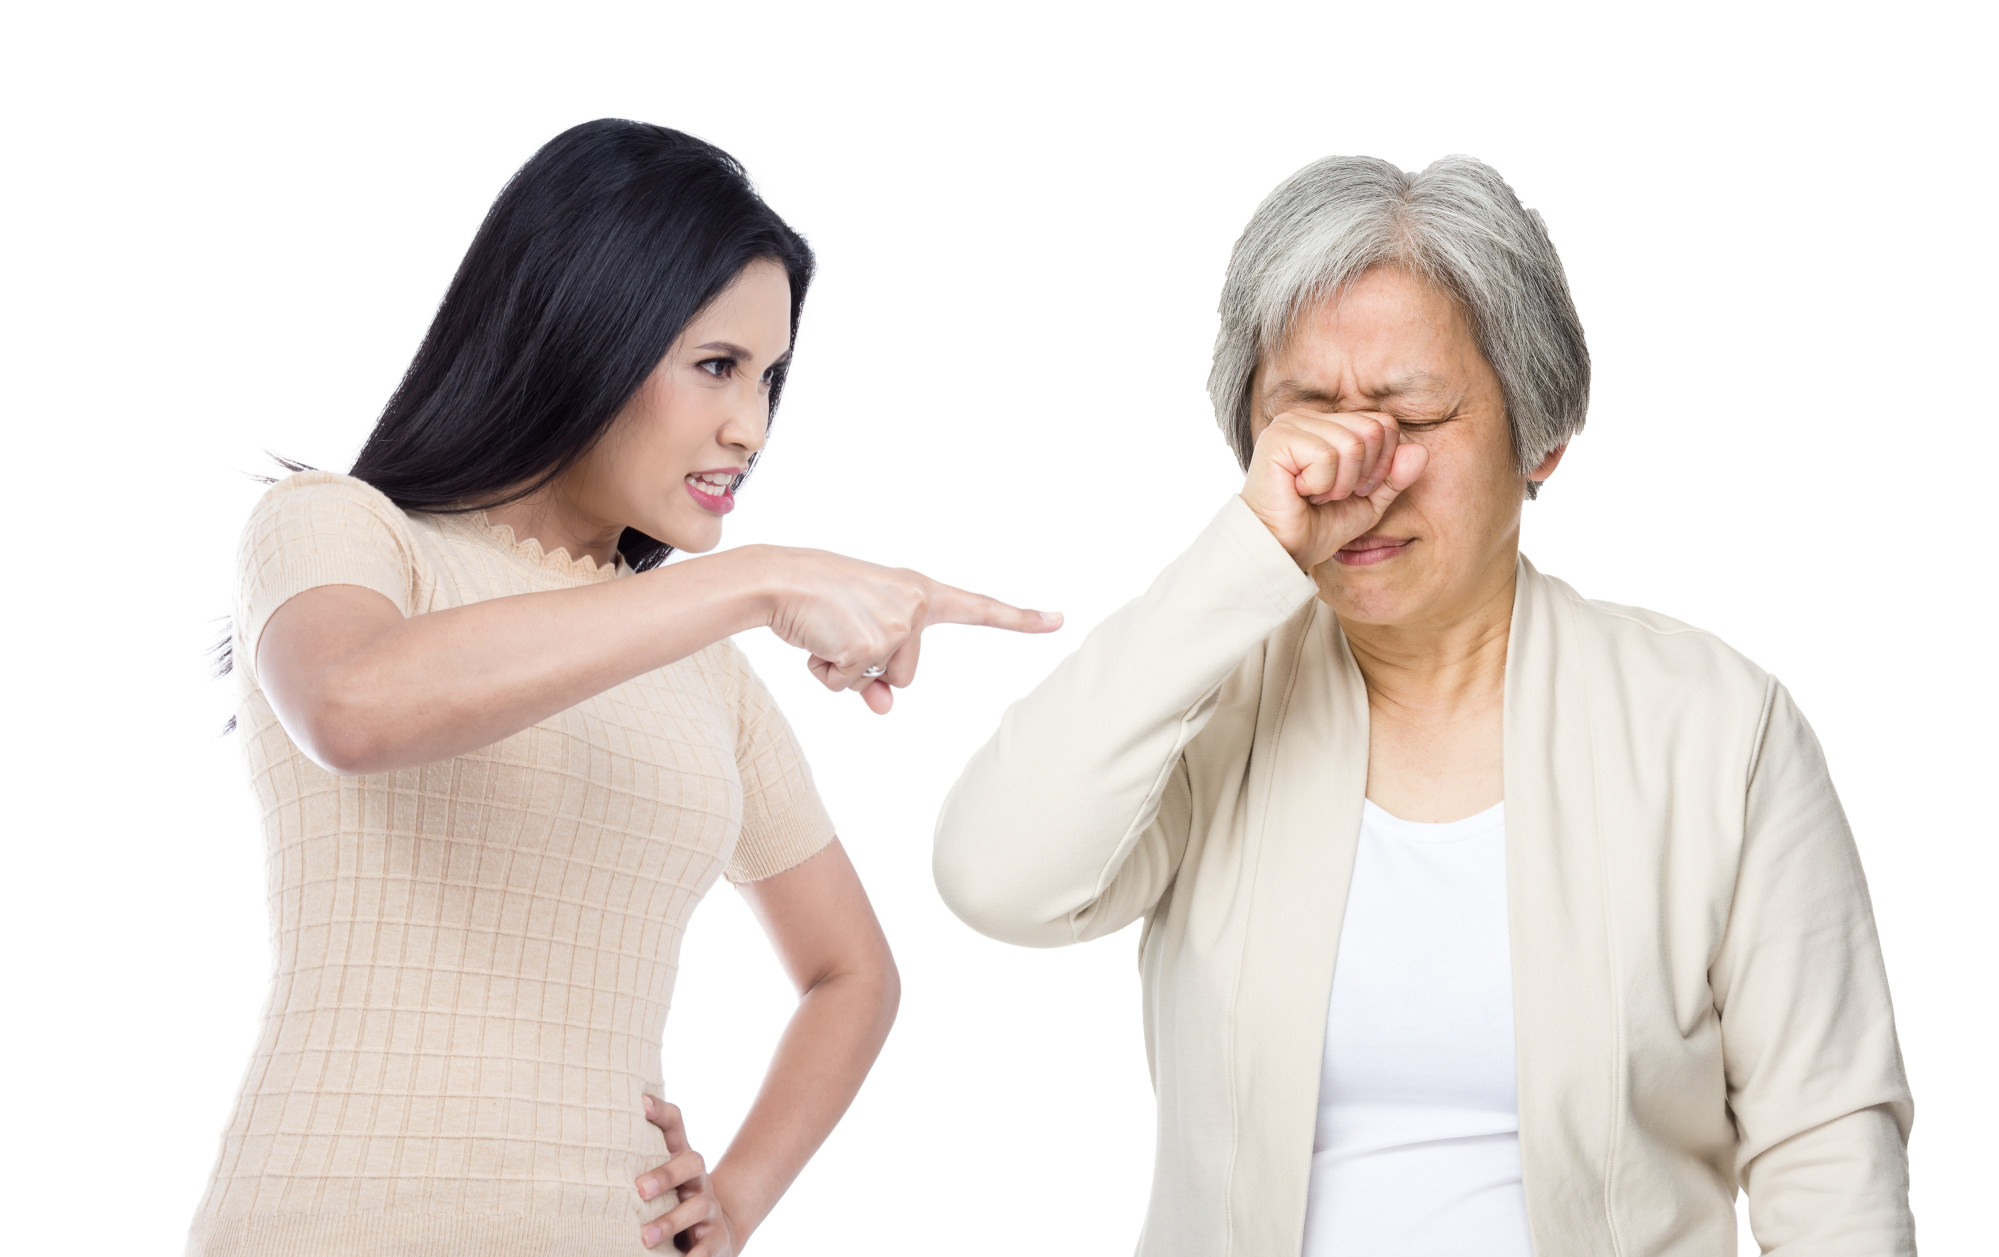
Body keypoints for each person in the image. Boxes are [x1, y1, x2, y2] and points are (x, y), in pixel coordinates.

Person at [932, 155, 1914, 1256]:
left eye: (1413, 415)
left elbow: (1826, 1151)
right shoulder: (1201, 705)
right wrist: (1239, 560)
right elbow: (996, 878)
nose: (1356, 474)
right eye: (1306, 416)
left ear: (1538, 437)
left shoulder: (1715, 727)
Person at [186, 118, 1059, 1257]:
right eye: (714, 366)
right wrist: (757, 579)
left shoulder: (702, 661)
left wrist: (734, 1201)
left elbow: (853, 976)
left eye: (770, 378)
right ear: (582, 328)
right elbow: (350, 707)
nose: (748, 427)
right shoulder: (335, 531)